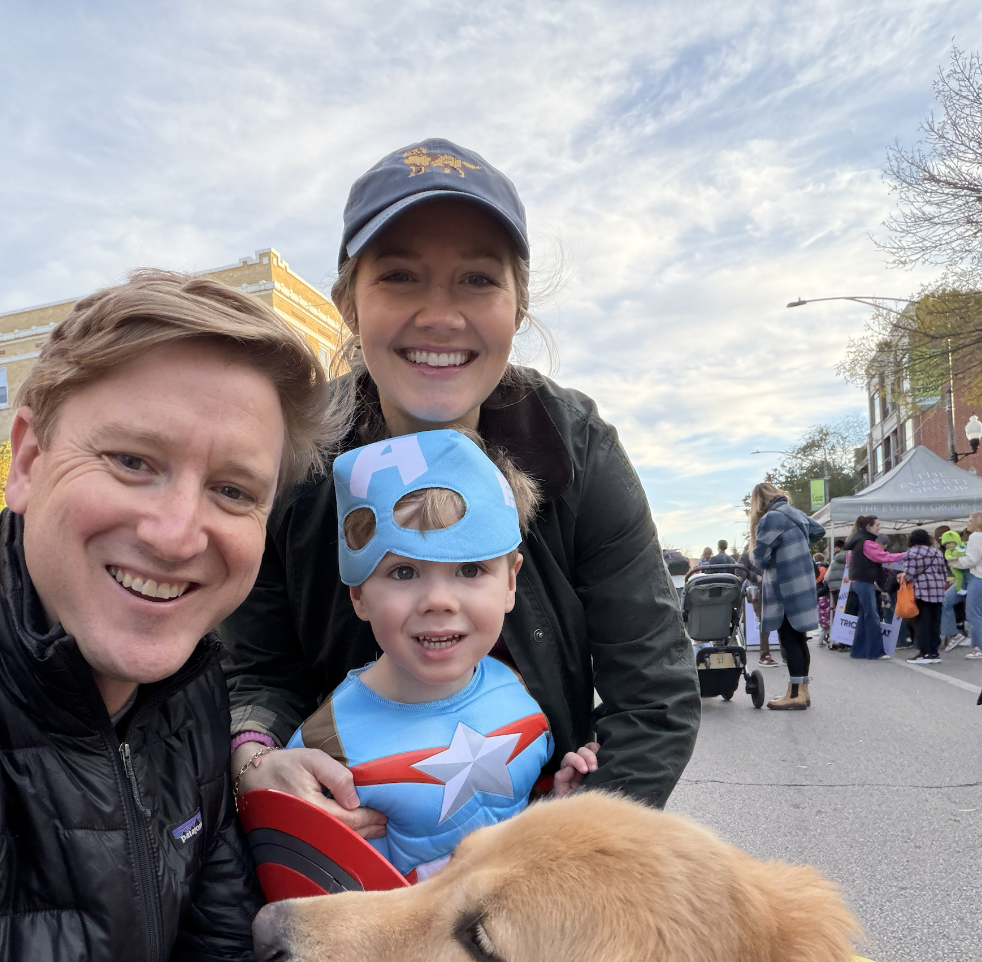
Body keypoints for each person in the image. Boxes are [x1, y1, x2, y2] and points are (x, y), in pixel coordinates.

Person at [0, 272, 378, 962]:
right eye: (132, 462)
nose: (176, 532)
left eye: (233, 491)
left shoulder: (187, 697)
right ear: (26, 461)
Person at [221, 138, 700, 825]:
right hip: (346, 855)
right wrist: (257, 763)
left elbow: (654, 696)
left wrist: (564, 845)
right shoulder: (290, 456)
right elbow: (253, 671)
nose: (440, 316)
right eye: (400, 277)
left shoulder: (577, 447)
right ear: (348, 304)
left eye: (477, 279)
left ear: (518, 306)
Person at [285, 429, 598, 881]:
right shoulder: (324, 749)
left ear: (510, 583)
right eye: (404, 571)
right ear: (359, 594)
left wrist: (556, 802)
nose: (439, 601)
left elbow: (513, 819)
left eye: (469, 569)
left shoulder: (520, 691)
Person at [749, 482, 825, 709]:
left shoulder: (771, 518)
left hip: (785, 584)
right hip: (803, 581)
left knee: (788, 638)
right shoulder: (794, 513)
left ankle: (794, 695)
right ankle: (803, 691)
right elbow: (818, 530)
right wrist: (797, 546)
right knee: (799, 638)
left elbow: (759, 558)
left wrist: (774, 553)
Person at [844, 515, 904, 660]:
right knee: (872, 616)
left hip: (859, 581)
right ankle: (875, 651)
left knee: (864, 616)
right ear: (869, 527)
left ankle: (858, 651)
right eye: (877, 525)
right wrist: (905, 555)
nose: (879, 527)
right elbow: (883, 557)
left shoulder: (858, 540)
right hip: (864, 581)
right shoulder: (867, 542)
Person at [900, 528, 950, 663]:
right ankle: (934, 653)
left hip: (921, 592)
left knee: (921, 623)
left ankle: (924, 652)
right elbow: (944, 572)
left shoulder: (912, 553)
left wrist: (900, 577)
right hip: (938, 592)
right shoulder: (937, 552)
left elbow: (909, 574)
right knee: (935, 623)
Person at [950, 511, 982, 659]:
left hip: (977, 576)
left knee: (973, 614)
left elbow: (972, 559)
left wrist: (955, 562)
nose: (967, 524)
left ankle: (979, 647)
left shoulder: (976, 536)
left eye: (970, 521)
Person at [940, 528, 970, 650]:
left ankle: (974, 639)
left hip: (972, 579)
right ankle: (953, 634)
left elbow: (970, 561)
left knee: (974, 610)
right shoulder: (950, 551)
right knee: (945, 600)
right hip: (962, 581)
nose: (948, 545)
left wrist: (956, 562)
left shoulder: (967, 546)